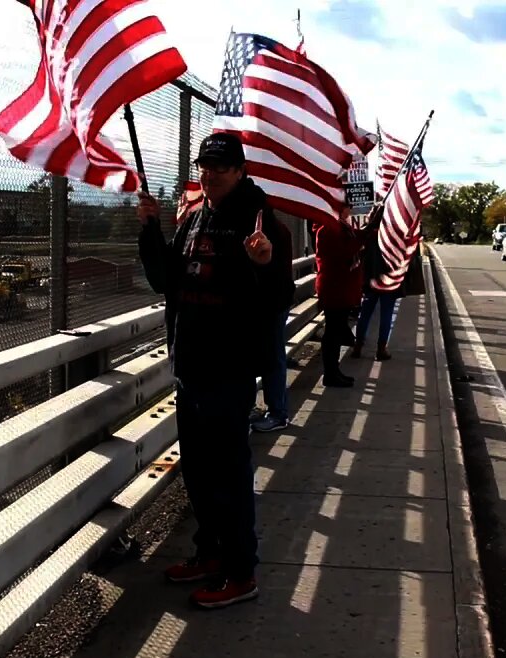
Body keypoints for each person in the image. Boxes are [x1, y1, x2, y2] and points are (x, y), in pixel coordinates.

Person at [136, 132, 292, 609]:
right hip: (190, 366)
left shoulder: (263, 222)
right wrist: (149, 230)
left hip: (229, 370)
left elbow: (279, 300)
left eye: (221, 167)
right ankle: (210, 554)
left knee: (228, 473)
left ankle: (240, 571)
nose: (209, 174)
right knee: (200, 472)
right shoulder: (194, 216)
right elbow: (167, 281)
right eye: (204, 166)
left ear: (241, 171)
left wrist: (263, 264)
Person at [314, 204, 382, 385]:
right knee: (333, 332)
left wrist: (370, 225)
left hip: (341, 288)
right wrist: (369, 228)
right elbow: (347, 250)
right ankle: (331, 373)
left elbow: (356, 240)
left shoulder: (341, 227)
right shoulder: (328, 229)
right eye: (346, 206)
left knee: (336, 331)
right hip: (335, 288)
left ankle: (334, 371)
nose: (349, 209)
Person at [250, 218, 293, 433]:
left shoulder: (271, 229)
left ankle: (278, 413)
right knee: (265, 357)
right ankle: (269, 409)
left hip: (271, 304)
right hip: (269, 303)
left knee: (272, 357)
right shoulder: (278, 227)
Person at [353, 214, 404, 362]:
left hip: (370, 280)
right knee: (386, 315)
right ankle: (381, 349)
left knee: (365, 313)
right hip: (388, 280)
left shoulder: (368, 235)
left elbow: (360, 253)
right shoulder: (393, 236)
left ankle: (358, 345)